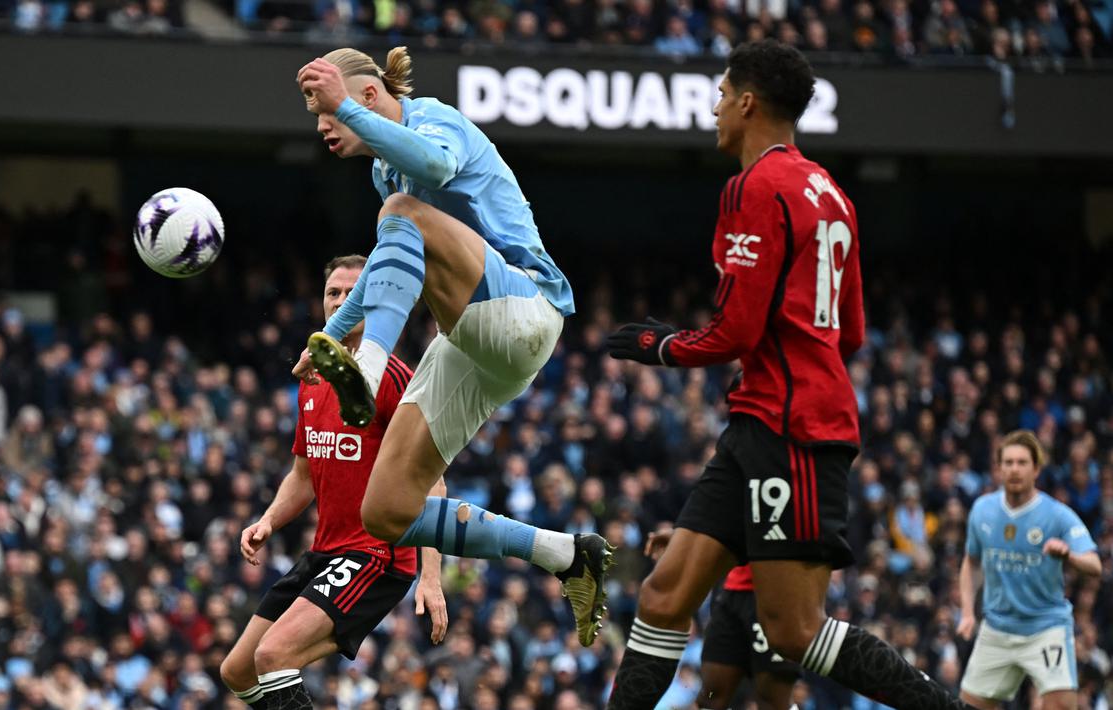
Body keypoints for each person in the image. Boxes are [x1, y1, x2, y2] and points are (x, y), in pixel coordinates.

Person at [604, 39, 974, 709]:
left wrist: (658, 345)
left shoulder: (753, 188)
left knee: (794, 631)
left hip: (792, 429)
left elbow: (733, 332)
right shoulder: (829, 191)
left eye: (720, 94)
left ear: (747, 102)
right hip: (762, 420)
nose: (713, 107)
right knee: (664, 594)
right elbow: (851, 333)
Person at [292, 46, 613, 648]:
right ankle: (567, 555)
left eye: (328, 110)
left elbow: (437, 170)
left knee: (402, 210)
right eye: (317, 114)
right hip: (473, 345)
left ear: (366, 96)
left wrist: (357, 350)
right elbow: (388, 261)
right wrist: (331, 335)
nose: (321, 125)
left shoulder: (434, 119)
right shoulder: (384, 170)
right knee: (385, 511)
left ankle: (368, 366)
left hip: (526, 307)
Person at [219, 255, 449, 710]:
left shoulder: (394, 380)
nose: (342, 301)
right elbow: (303, 474)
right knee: (238, 670)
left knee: (273, 654)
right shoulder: (313, 377)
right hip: (326, 550)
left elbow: (433, 481)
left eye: (353, 292)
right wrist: (268, 521)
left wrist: (432, 577)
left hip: (378, 555)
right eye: (333, 293)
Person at [957, 430, 1100, 710]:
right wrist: (966, 612)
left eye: (1022, 462)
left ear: (1036, 469)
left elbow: (1094, 565)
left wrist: (1068, 555)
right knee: (965, 708)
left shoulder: (1056, 514)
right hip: (997, 627)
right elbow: (971, 561)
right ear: (998, 469)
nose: (1014, 469)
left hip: (1045, 628)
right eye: (1008, 463)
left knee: (1061, 706)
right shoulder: (982, 510)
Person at [647, 530, 799, 709]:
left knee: (773, 697)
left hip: (773, 593)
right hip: (731, 595)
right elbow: (719, 521)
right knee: (712, 694)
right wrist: (683, 540)